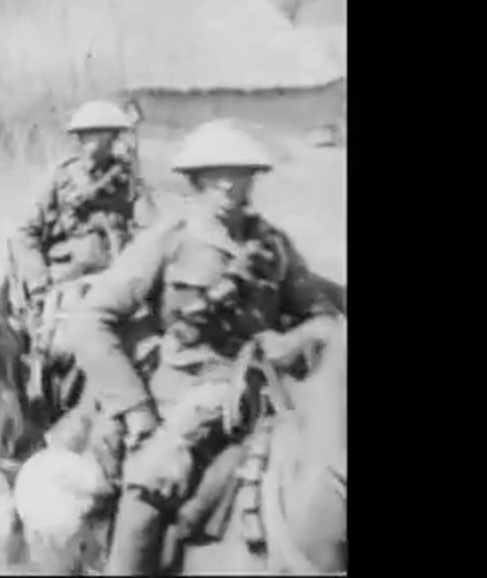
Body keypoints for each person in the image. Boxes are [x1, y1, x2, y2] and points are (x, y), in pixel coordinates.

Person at [64, 119, 343, 575]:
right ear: (195, 179)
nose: (231, 185)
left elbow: (322, 314)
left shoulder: (272, 245)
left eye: (242, 173)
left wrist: (291, 341)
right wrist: (134, 408)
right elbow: (92, 319)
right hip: (180, 395)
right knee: (149, 485)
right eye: (218, 174)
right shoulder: (169, 238)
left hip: (267, 396)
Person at [18, 100, 146, 347]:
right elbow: (26, 233)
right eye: (89, 134)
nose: (96, 142)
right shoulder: (60, 176)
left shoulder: (127, 181)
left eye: (105, 134)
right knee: (55, 347)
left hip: (117, 279)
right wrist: (38, 281)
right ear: (78, 137)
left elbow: (149, 231)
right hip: (68, 281)